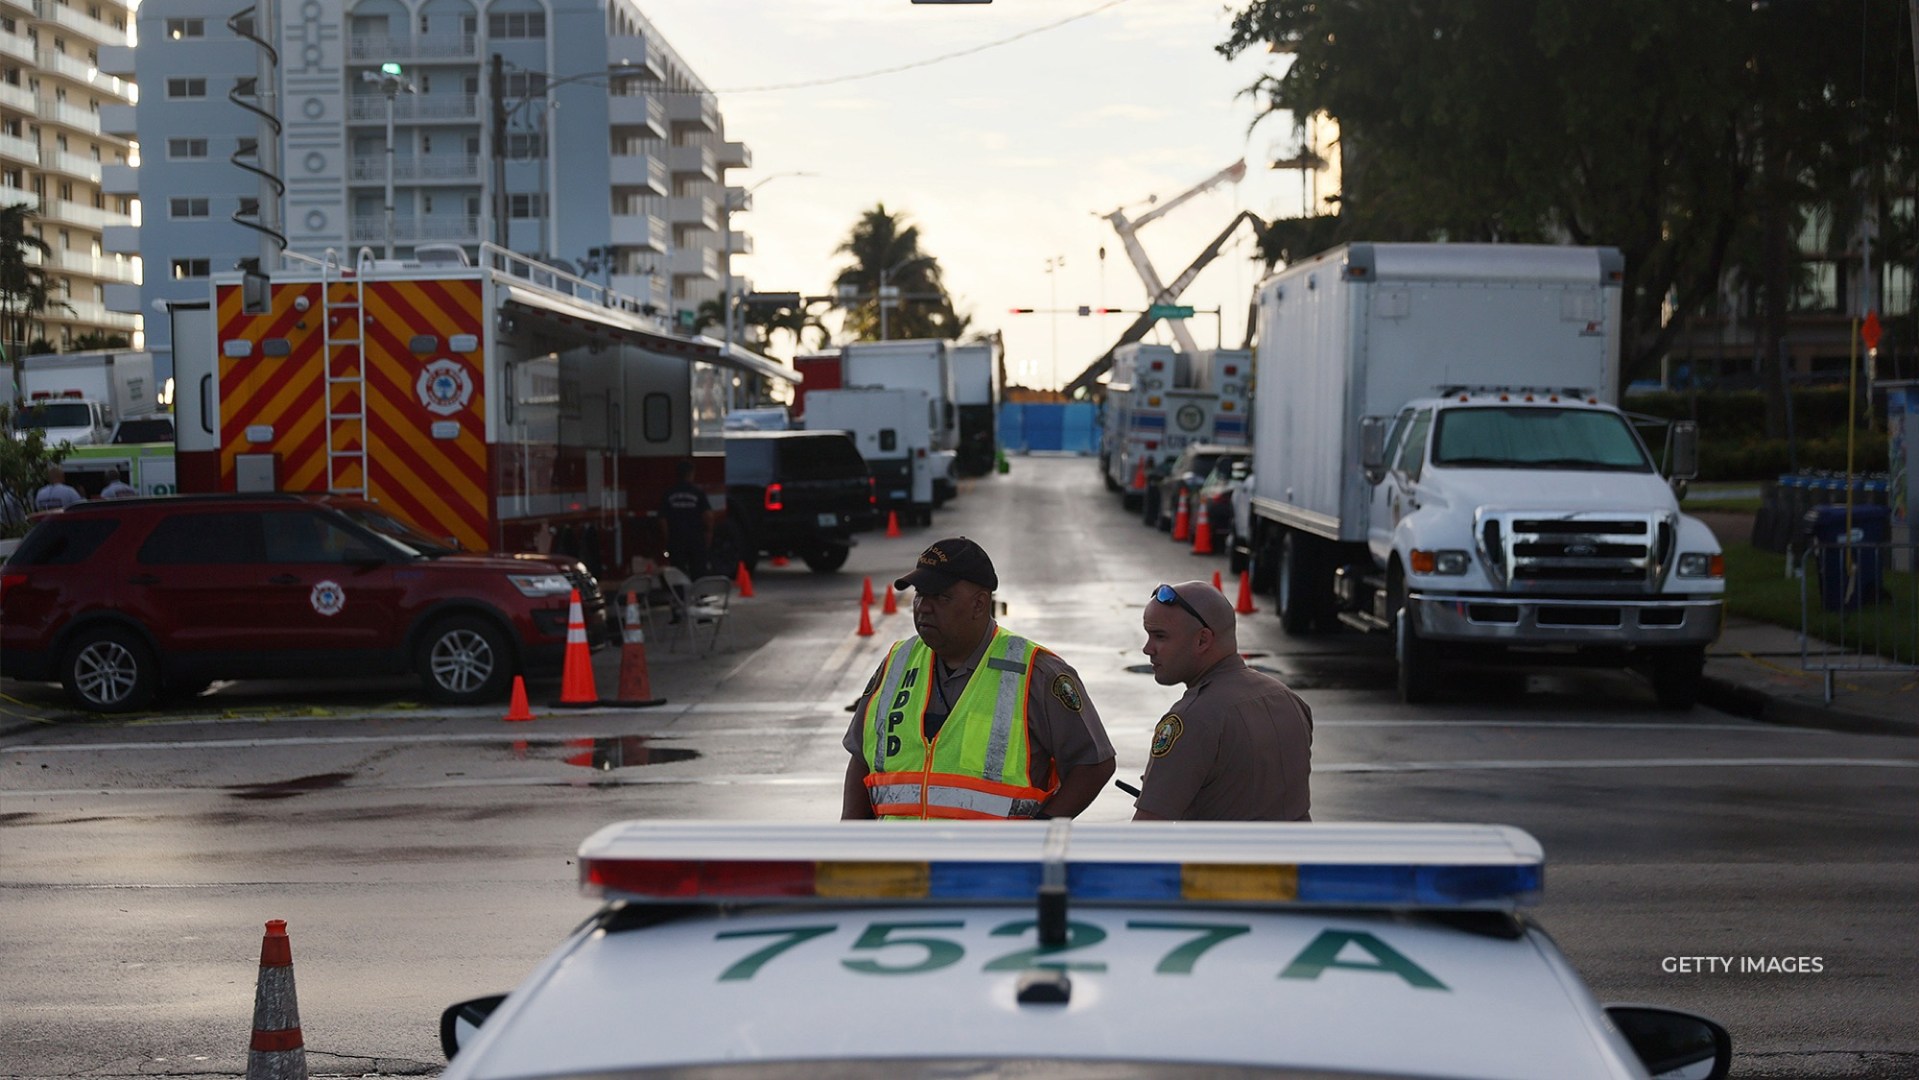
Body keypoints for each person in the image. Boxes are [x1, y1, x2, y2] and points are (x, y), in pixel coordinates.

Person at [842, 537, 1116, 820]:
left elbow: (1094, 763)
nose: (923, 606)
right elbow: (862, 758)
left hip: (990, 862)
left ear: (979, 604)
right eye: (920, 594)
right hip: (901, 862)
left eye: (941, 597)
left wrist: (1041, 830)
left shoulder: (1036, 671)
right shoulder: (898, 662)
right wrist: (849, 840)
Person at [1134, 580, 1313, 821]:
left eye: (1160, 636)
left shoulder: (1192, 719)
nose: (1147, 648)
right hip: (1296, 857)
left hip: (1222, 859)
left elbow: (1145, 834)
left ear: (1202, 640)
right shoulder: (1288, 699)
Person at [658, 459, 712, 579]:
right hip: (696, 539)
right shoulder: (698, 493)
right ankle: (698, 594)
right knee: (698, 572)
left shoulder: (669, 493)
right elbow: (708, 516)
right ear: (691, 474)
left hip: (676, 539)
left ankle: (680, 595)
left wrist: (668, 538)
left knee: (678, 573)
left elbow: (662, 519)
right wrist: (708, 534)